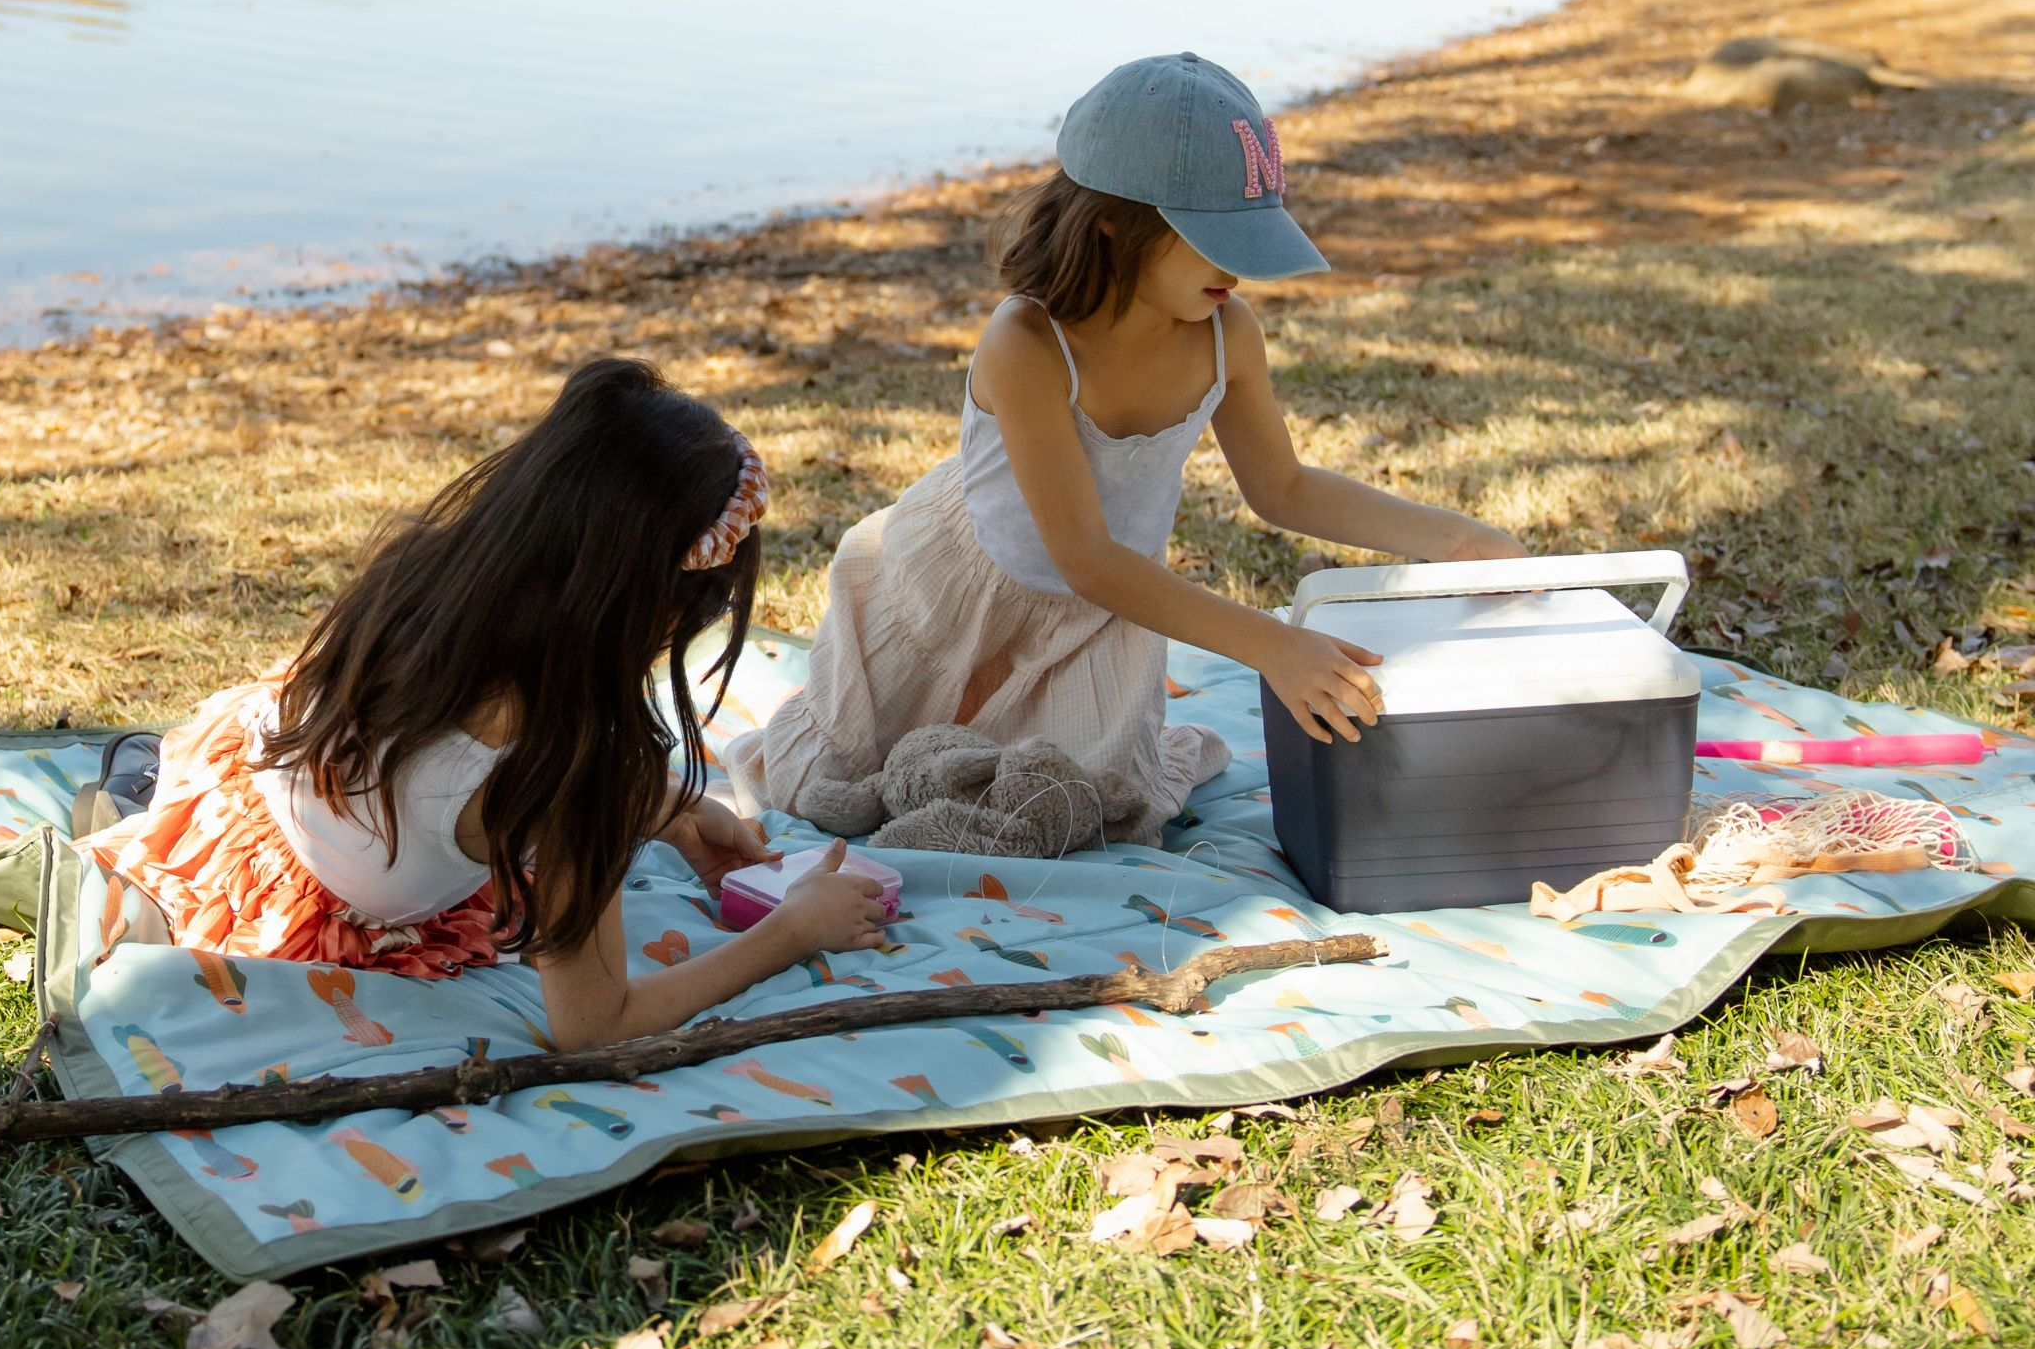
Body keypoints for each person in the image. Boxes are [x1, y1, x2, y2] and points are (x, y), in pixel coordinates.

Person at [721, 52, 1525, 847]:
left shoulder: (1225, 335)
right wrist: (1271, 644)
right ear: (1112, 218)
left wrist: (1456, 540)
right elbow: (1085, 554)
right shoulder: (1028, 342)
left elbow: (1283, 489)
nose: (1237, 271)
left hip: (1106, 618)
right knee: (828, 782)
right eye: (1212, 238)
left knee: (1094, 810)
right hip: (969, 597)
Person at [81, 358, 889, 1046]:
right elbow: (595, 1025)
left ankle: (143, 798)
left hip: (256, 786)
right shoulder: (579, 763)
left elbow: (445, 774)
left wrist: (672, 812)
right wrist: (792, 933)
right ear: (666, 612)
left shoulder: (427, 570)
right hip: (330, 903)